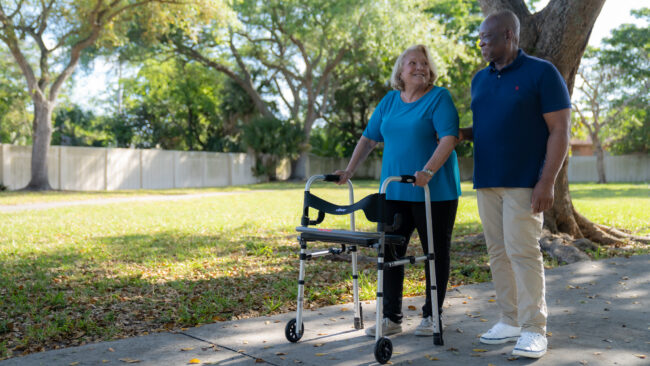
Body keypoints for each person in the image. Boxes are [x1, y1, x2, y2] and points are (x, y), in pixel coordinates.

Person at [458, 10, 571, 359]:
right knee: (498, 253)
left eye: (486, 38)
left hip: (525, 182)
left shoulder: (542, 73)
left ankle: (534, 328)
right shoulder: (480, 79)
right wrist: (459, 135)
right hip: (487, 180)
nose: (481, 45)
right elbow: (491, 127)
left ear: (508, 35)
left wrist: (546, 182)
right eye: (479, 39)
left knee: (523, 252)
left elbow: (559, 130)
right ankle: (508, 319)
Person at [334, 44, 461, 338]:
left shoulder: (439, 98)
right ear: (400, 72)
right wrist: (349, 170)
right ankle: (391, 317)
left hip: (435, 193)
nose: (419, 68)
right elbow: (368, 139)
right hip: (394, 193)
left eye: (424, 64)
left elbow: (448, 139)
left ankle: (432, 315)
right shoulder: (390, 101)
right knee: (389, 252)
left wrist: (428, 171)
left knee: (435, 253)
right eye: (412, 63)